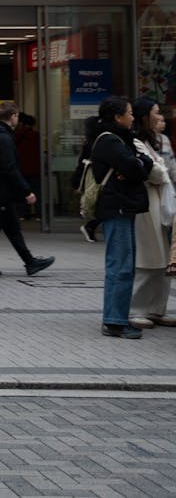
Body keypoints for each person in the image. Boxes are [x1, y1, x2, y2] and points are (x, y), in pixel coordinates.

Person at [0, 102, 54, 279]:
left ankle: (30, 262)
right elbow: (10, 168)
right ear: (14, 115)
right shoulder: (4, 138)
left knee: (12, 229)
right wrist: (26, 191)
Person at [92, 95, 153, 338]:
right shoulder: (110, 141)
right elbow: (134, 168)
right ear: (117, 117)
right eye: (129, 113)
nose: (132, 117)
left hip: (123, 207)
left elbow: (143, 163)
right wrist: (138, 164)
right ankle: (115, 321)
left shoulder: (122, 140)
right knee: (121, 265)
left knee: (123, 264)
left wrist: (139, 163)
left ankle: (116, 317)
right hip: (116, 208)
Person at [128, 99, 176, 329]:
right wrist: (161, 171)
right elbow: (153, 172)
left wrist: (162, 171)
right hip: (146, 205)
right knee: (147, 258)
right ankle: (136, 309)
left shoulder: (163, 141)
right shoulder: (136, 141)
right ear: (145, 116)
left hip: (166, 203)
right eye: (156, 113)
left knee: (166, 259)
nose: (161, 117)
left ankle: (158, 309)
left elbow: (168, 170)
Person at [13, 114, 41, 220]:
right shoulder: (36, 135)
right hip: (36, 168)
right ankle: (39, 214)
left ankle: (22, 213)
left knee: (22, 191)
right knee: (37, 192)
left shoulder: (17, 135)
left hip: (22, 168)